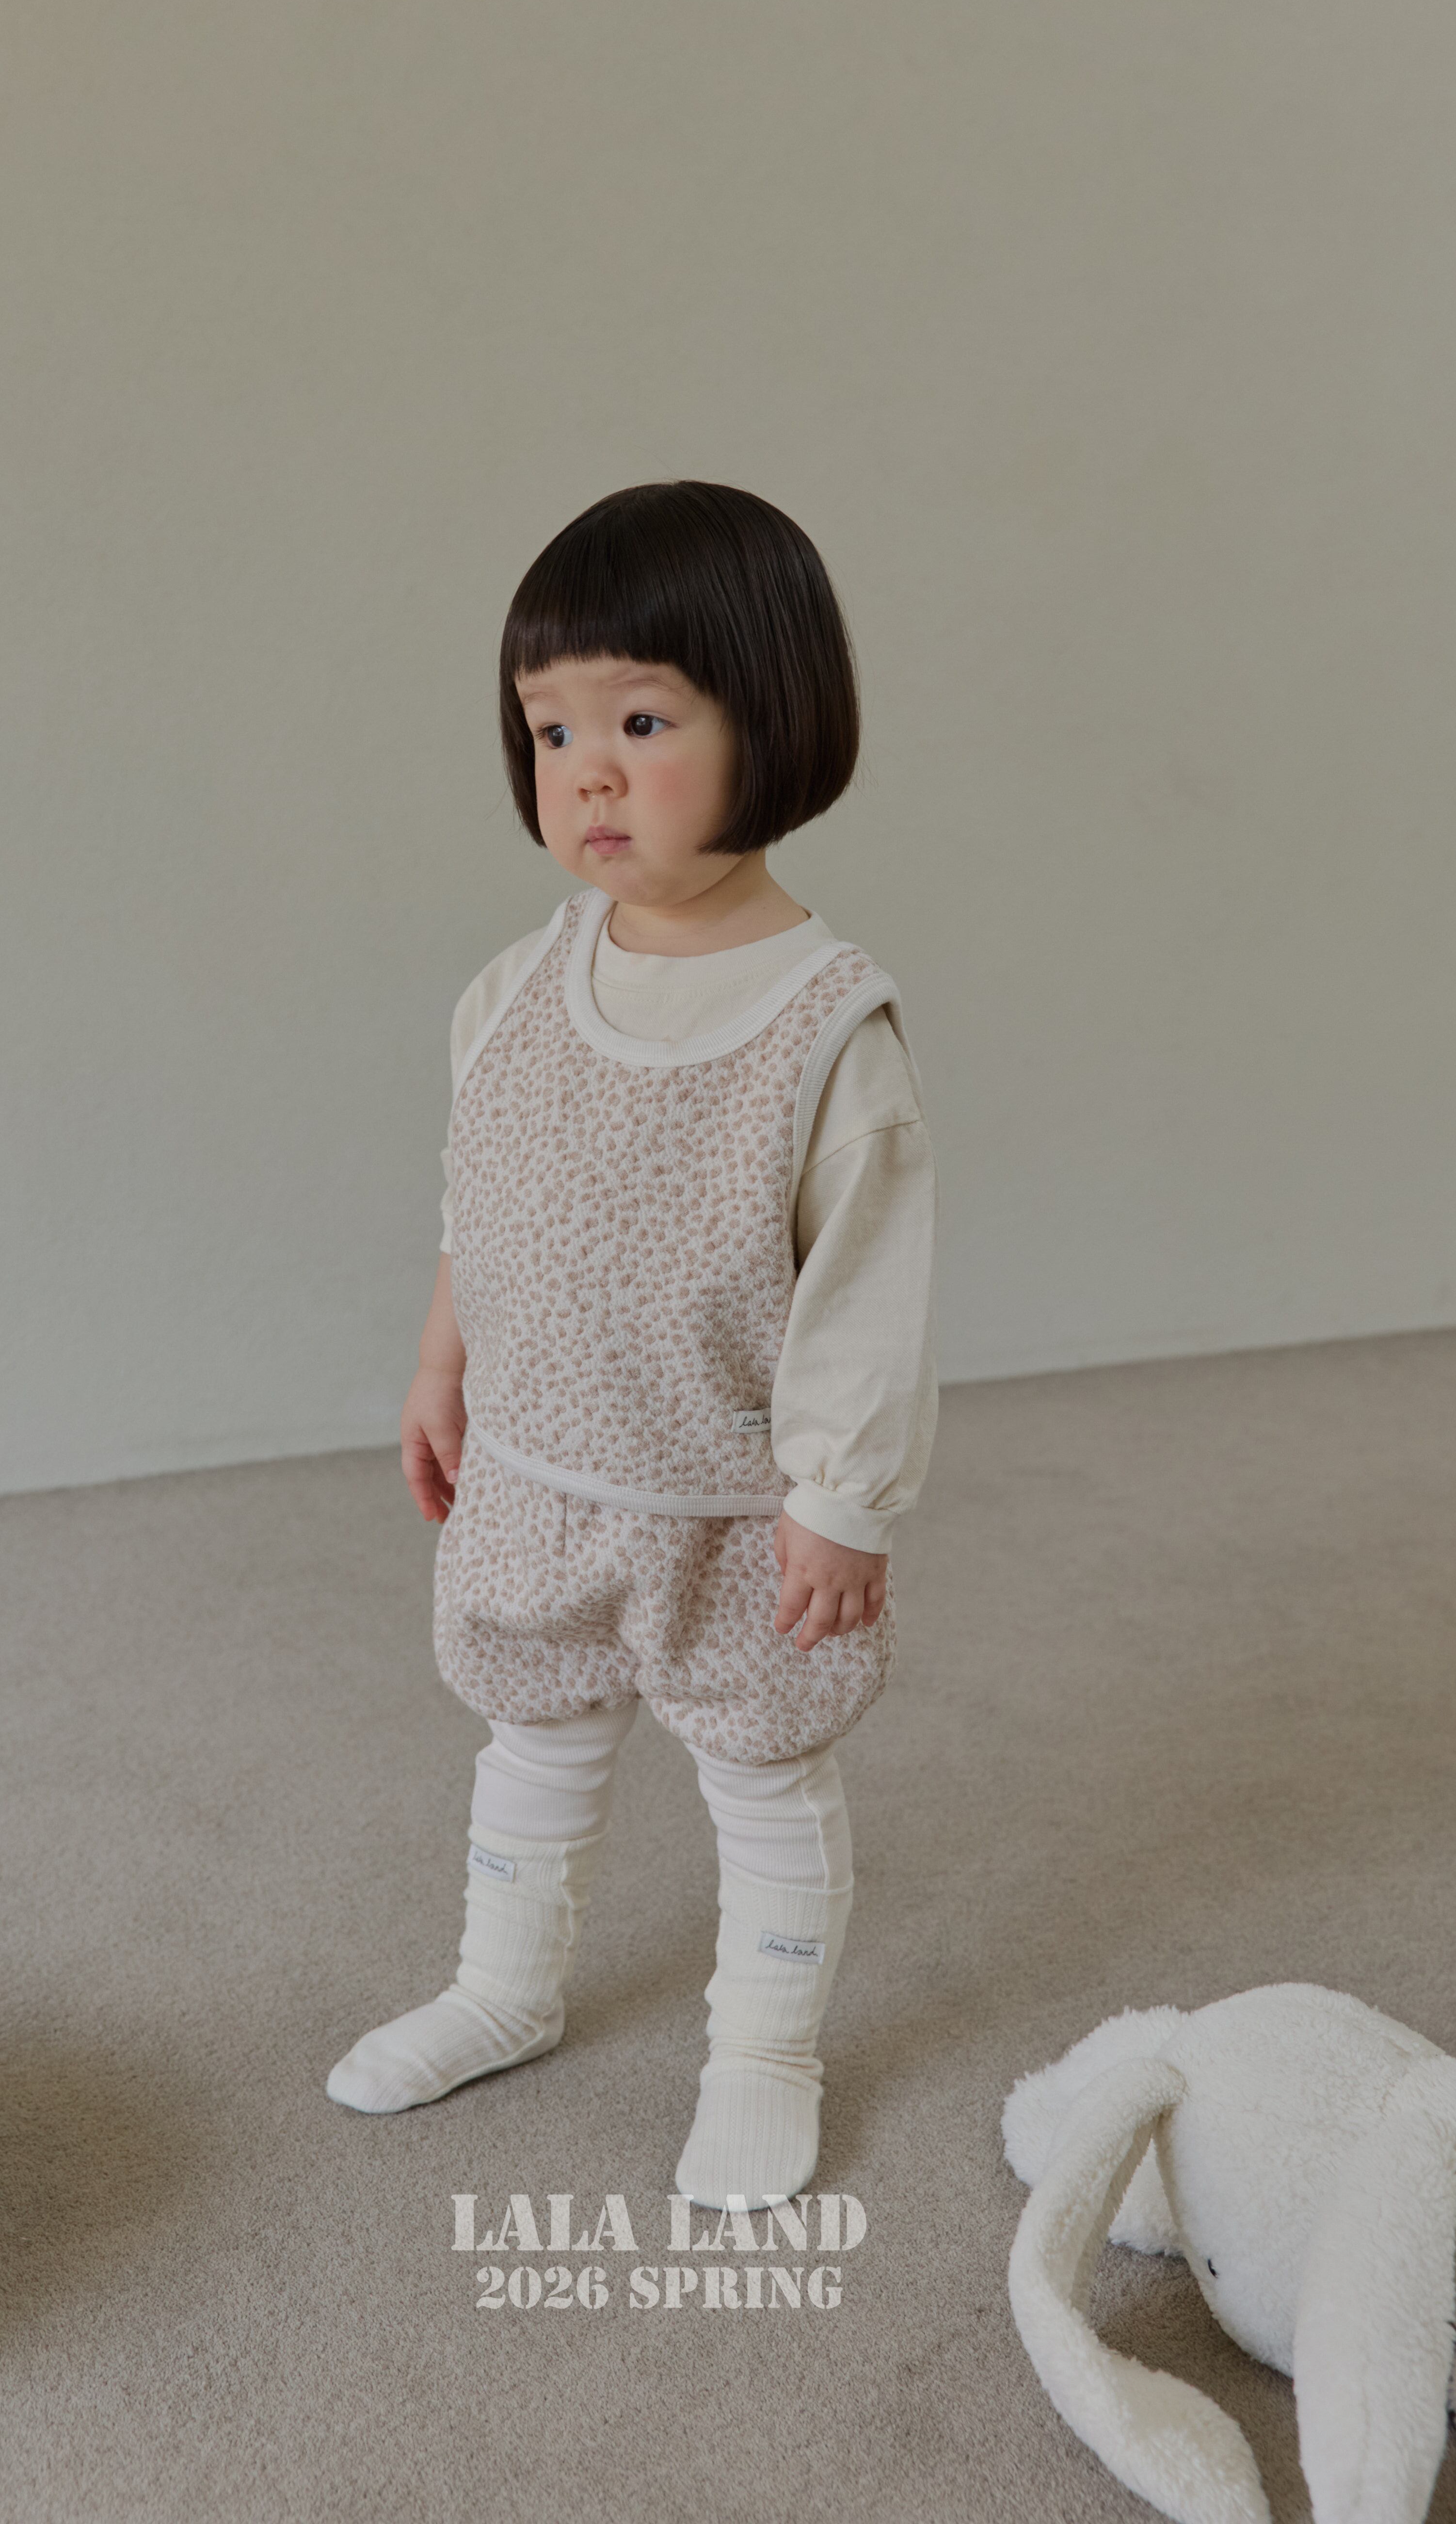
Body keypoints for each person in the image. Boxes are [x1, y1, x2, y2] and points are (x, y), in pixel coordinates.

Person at [325, 480, 938, 2211]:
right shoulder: (517, 987)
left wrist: (844, 1501)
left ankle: (765, 2053)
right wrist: (442, 1364)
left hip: (729, 1509)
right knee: (532, 1740)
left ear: (774, 721)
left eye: (644, 723)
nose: (588, 772)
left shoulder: (826, 1024)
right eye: (552, 731)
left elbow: (869, 1295)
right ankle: (504, 1988)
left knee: (764, 1775)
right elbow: (482, 1197)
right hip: (536, 1474)